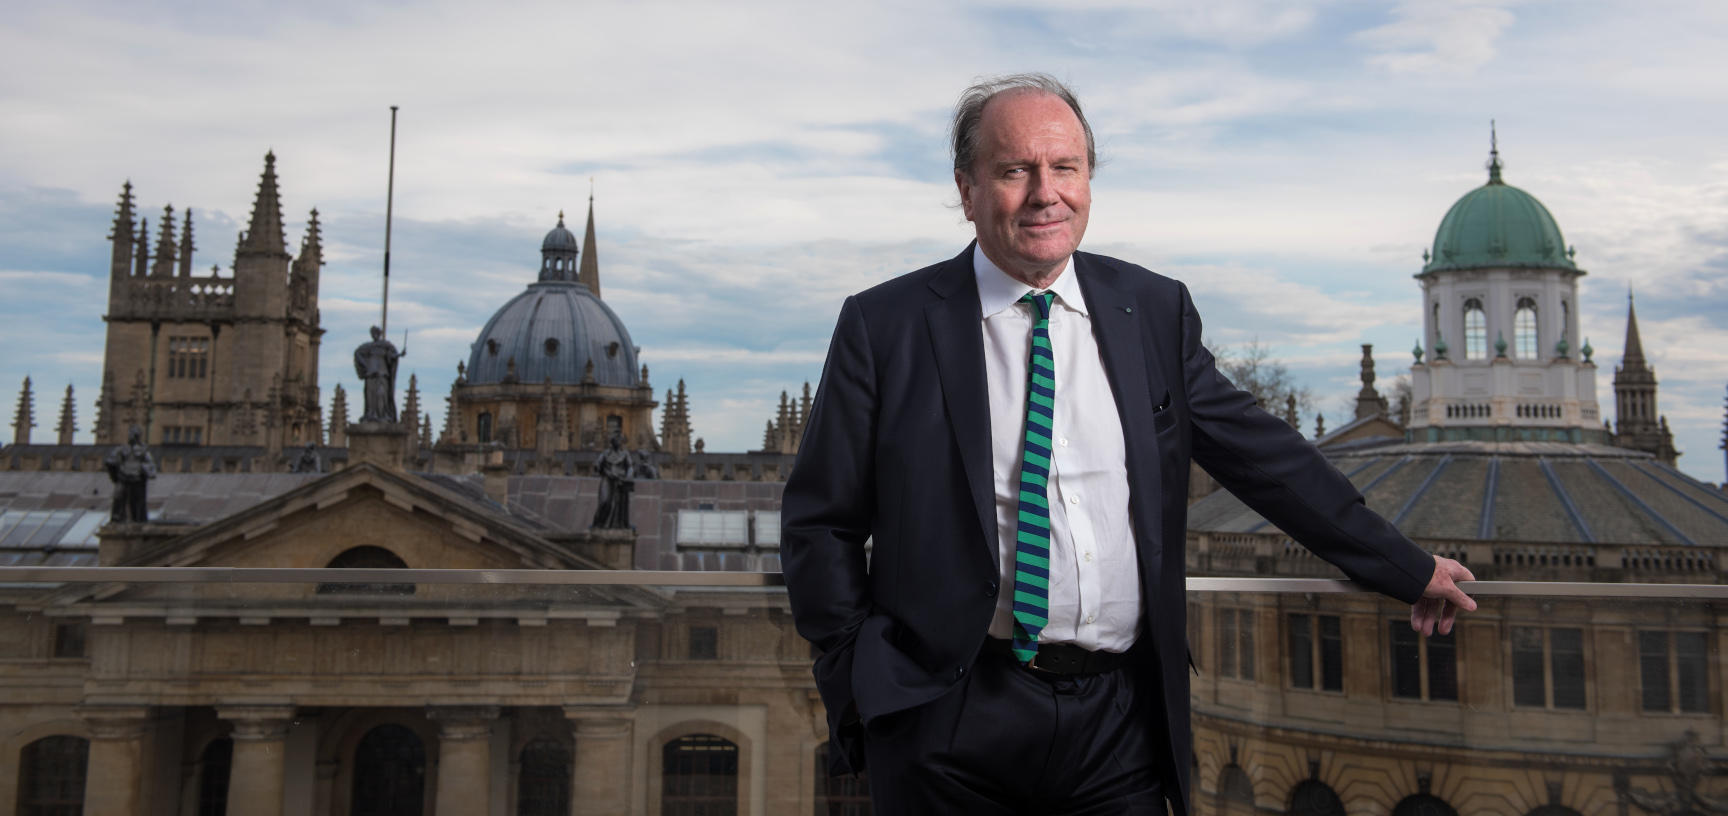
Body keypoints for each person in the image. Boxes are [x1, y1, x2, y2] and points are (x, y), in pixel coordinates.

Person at [779, 74, 1475, 816]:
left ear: (1087, 180)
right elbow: (821, 520)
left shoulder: (1151, 310)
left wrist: (1403, 566)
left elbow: (1264, 459)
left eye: (1065, 167)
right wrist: (857, 676)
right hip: (948, 715)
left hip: (1118, 721)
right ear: (967, 187)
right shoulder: (886, 325)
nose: (1046, 192)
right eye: (1015, 170)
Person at [105, 425, 156, 522]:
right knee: (118, 497)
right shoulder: (121, 449)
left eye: (135, 434)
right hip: (123, 478)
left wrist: (144, 470)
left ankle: (136, 520)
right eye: (131, 434)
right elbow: (110, 462)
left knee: (136, 502)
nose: (132, 436)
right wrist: (115, 476)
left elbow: (151, 467)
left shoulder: (143, 451)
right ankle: (117, 517)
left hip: (137, 479)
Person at [354, 325, 404, 423]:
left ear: (379, 334)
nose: (375, 335)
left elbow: (391, 356)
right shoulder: (367, 346)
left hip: (382, 373)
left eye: (376, 333)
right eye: (373, 333)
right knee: (370, 396)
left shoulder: (386, 346)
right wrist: (365, 365)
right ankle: (371, 414)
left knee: (381, 394)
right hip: (371, 374)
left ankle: (382, 415)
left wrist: (399, 355)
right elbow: (357, 354)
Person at [590, 432, 634, 529]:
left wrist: (628, 477)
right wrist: (597, 466)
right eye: (616, 440)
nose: (618, 442)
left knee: (616, 505)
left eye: (620, 440)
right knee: (604, 501)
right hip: (607, 478)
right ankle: (597, 522)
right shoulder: (605, 453)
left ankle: (609, 525)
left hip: (619, 481)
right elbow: (598, 463)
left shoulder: (625, 454)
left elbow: (630, 467)